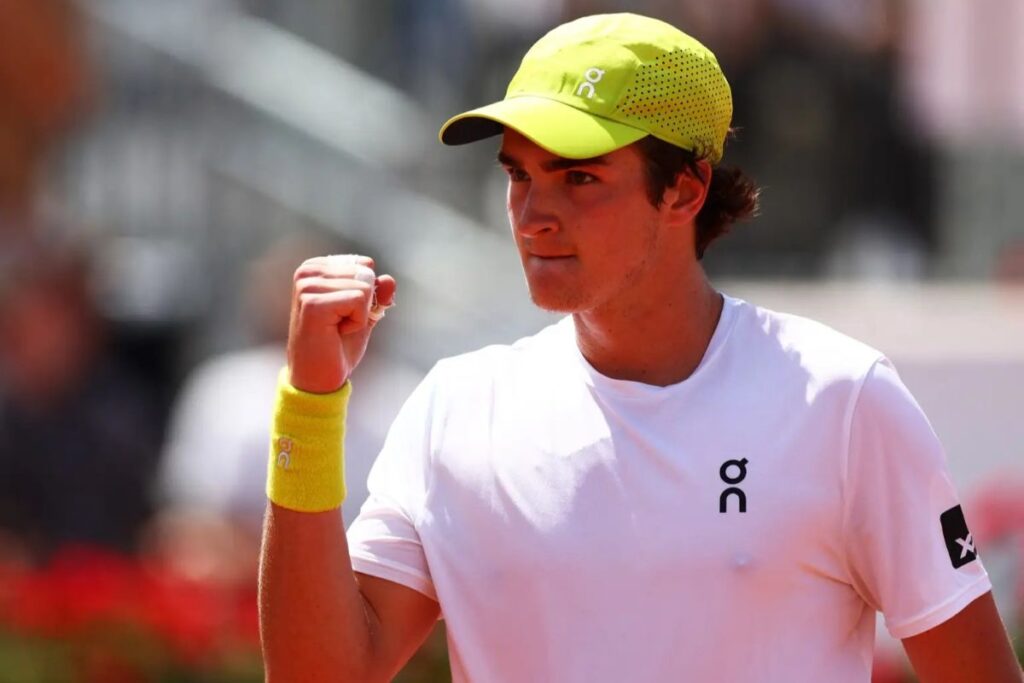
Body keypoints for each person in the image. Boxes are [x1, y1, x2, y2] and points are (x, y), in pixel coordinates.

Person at [258, 13, 1022, 682]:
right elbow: (316, 675)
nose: (533, 214)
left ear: (686, 189)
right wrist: (309, 405)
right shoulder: (455, 408)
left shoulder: (843, 399)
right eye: (519, 175)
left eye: (579, 177)